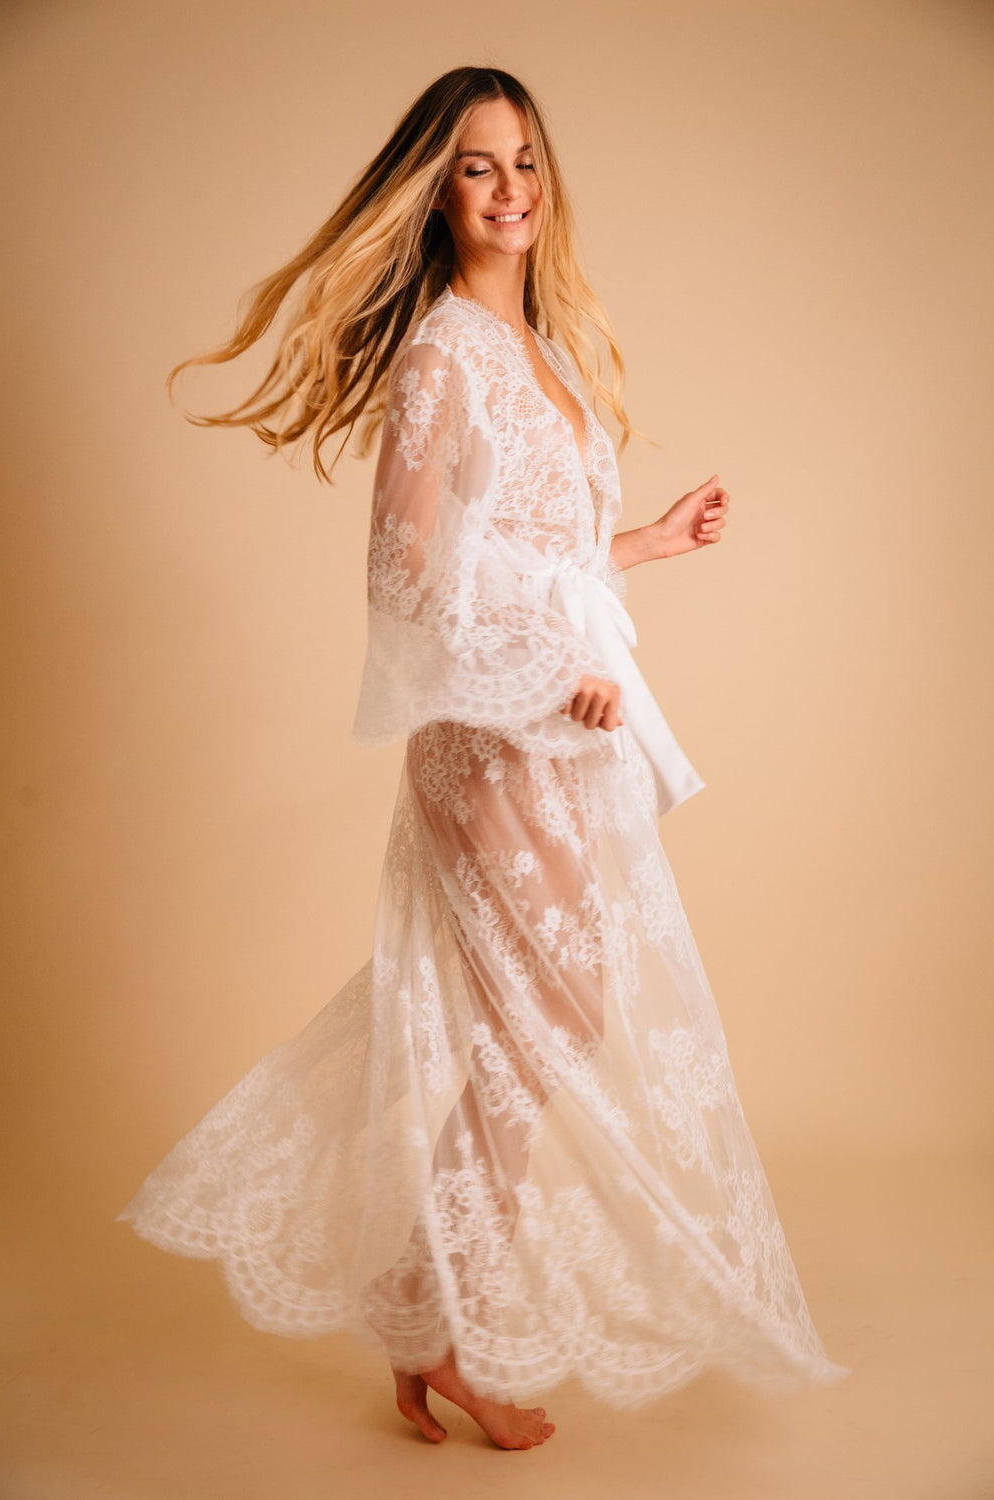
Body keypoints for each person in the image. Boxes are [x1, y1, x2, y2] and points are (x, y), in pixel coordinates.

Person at [115, 65, 850, 1452]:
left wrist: (647, 544)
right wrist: (547, 672)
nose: (510, 189)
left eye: (525, 161)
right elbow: (409, 575)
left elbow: (530, 555)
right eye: (476, 166)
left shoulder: (543, 353)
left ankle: (421, 1299)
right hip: (490, 729)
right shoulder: (442, 357)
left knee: (542, 1011)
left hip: (563, 724)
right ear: (437, 192)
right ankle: (438, 1313)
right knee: (546, 1009)